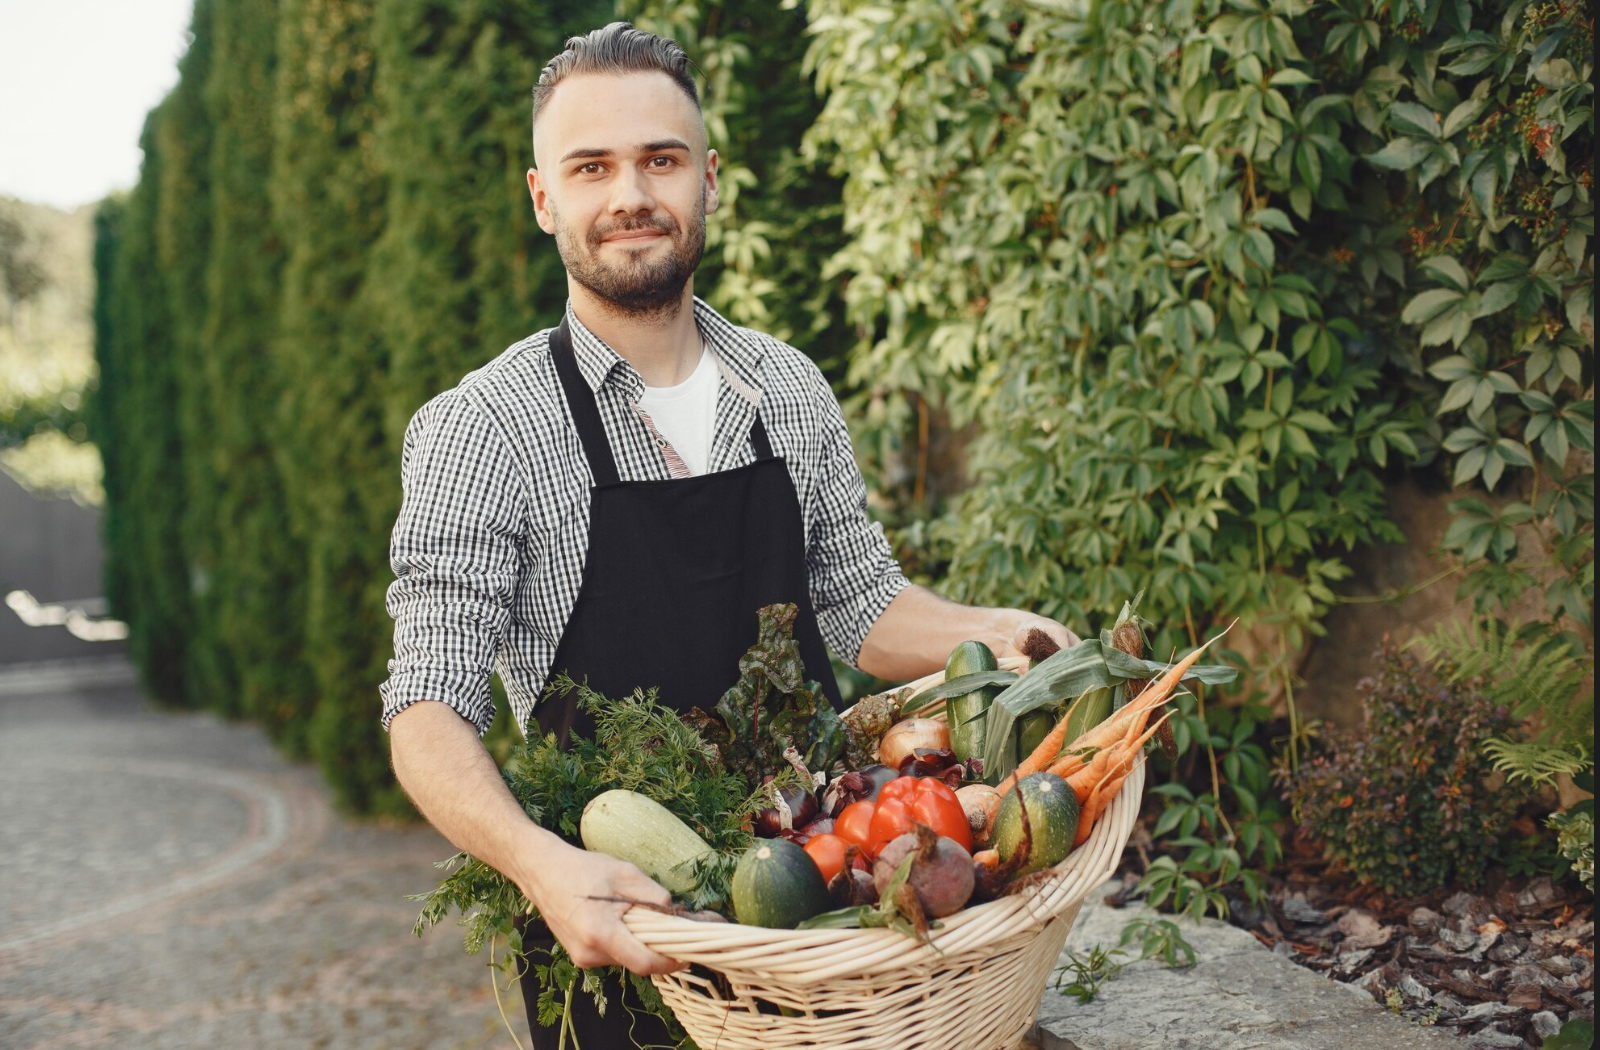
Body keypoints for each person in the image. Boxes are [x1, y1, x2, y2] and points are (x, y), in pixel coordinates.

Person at [381, 21, 1079, 1049]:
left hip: (825, 910)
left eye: (660, 160)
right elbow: (426, 700)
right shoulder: (484, 428)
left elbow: (859, 604)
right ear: (543, 200)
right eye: (590, 167)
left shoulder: (786, 387)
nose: (630, 195)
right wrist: (541, 866)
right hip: (626, 931)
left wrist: (1013, 638)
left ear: (708, 181)